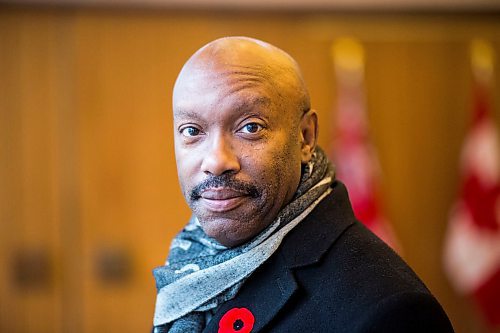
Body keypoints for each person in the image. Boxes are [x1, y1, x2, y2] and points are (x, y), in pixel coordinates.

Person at [152, 36, 454, 333]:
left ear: (306, 137)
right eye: (192, 130)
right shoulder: (189, 263)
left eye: (250, 127)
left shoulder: (393, 312)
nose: (216, 161)